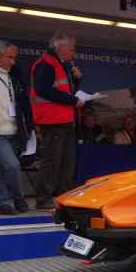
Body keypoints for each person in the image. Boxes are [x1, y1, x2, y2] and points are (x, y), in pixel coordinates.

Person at [31, 32, 83, 210]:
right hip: (51, 120)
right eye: (71, 48)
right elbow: (43, 90)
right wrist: (72, 101)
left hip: (65, 120)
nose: (73, 52)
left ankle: (65, 197)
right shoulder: (46, 64)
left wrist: (78, 79)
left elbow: (68, 91)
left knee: (67, 161)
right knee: (52, 160)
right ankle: (44, 198)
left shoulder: (64, 66)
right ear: (59, 47)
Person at [0, 40, 34, 215]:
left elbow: (24, 103)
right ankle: (18, 198)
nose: (13, 61)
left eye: (14, 58)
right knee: (12, 165)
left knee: (4, 168)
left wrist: (29, 125)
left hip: (16, 130)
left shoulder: (15, 74)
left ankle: (2, 203)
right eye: (10, 57)